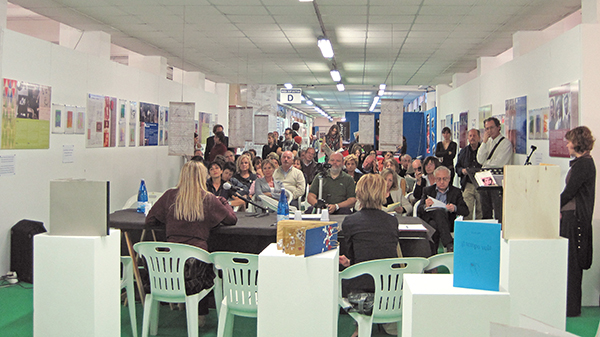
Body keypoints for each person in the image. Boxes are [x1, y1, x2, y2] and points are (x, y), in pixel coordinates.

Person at [145, 161, 237, 324]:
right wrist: (223, 203)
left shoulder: (169, 196)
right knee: (204, 261)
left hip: (169, 266)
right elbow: (231, 219)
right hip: (196, 269)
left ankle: (179, 305)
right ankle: (199, 316)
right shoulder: (208, 199)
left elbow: (150, 219)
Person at [338, 173, 401, 295]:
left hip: (359, 285)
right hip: (388, 285)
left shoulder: (350, 222)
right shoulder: (392, 221)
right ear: (384, 194)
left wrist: (349, 262)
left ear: (359, 194)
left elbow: (354, 256)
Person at [560, 126, 596, 317]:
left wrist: (554, 205)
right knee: (570, 264)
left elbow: (569, 193)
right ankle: (568, 306)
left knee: (572, 265)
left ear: (577, 143)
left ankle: (571, 308)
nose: (567, 145)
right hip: (572, 218)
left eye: (569, 141)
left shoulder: (583, 165)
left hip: (575, 221)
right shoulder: (582, 163)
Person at [417, 166, 469, 254]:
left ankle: (432, 257)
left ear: (449, 179)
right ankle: (449, 244)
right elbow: (419, 210)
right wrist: (425, 205)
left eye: (444, 179)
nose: (442, 182)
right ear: (435, 179)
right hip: (429, 219)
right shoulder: (428, 191)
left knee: (434, 224)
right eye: (439, 179)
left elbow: (465, 211)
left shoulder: (456, 192)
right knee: (437, 215)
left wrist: (454, 208)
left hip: (447, 222)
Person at [477, 117, 513, 221]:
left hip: (498, 180)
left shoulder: (505, 144)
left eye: (491, 128)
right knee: (485, 208)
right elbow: (479, 159)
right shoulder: (487, 143)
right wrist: (483, 142)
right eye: (487, 128)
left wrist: (485, 163)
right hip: (486, 178)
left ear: (498, 127)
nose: (489, 131)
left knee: (498, 210)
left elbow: (499, 163)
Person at [455, 129, 483, 220]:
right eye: (470, 136)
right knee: (467, 211)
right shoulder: (463, 152)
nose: (472, 138)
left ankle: (480, 231)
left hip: (481, 185)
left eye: (474, 136)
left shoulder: (484, 150)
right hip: (468, 184)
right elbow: (457, 167)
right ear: (467, 138)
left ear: (479, 137)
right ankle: (468, 231)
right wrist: (462, 171)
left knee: (481, 211)